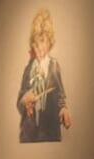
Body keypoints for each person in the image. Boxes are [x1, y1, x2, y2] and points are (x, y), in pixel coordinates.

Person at [17, 8, 71, 142]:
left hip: (50, 132)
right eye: (35, 43)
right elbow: (19, 103)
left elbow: (60, 96)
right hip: (29, 135)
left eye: (42, 41)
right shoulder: (28, 69)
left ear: (49, 42)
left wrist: (63, 109)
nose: (38, 47)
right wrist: (24, 100)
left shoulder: (54, 66)